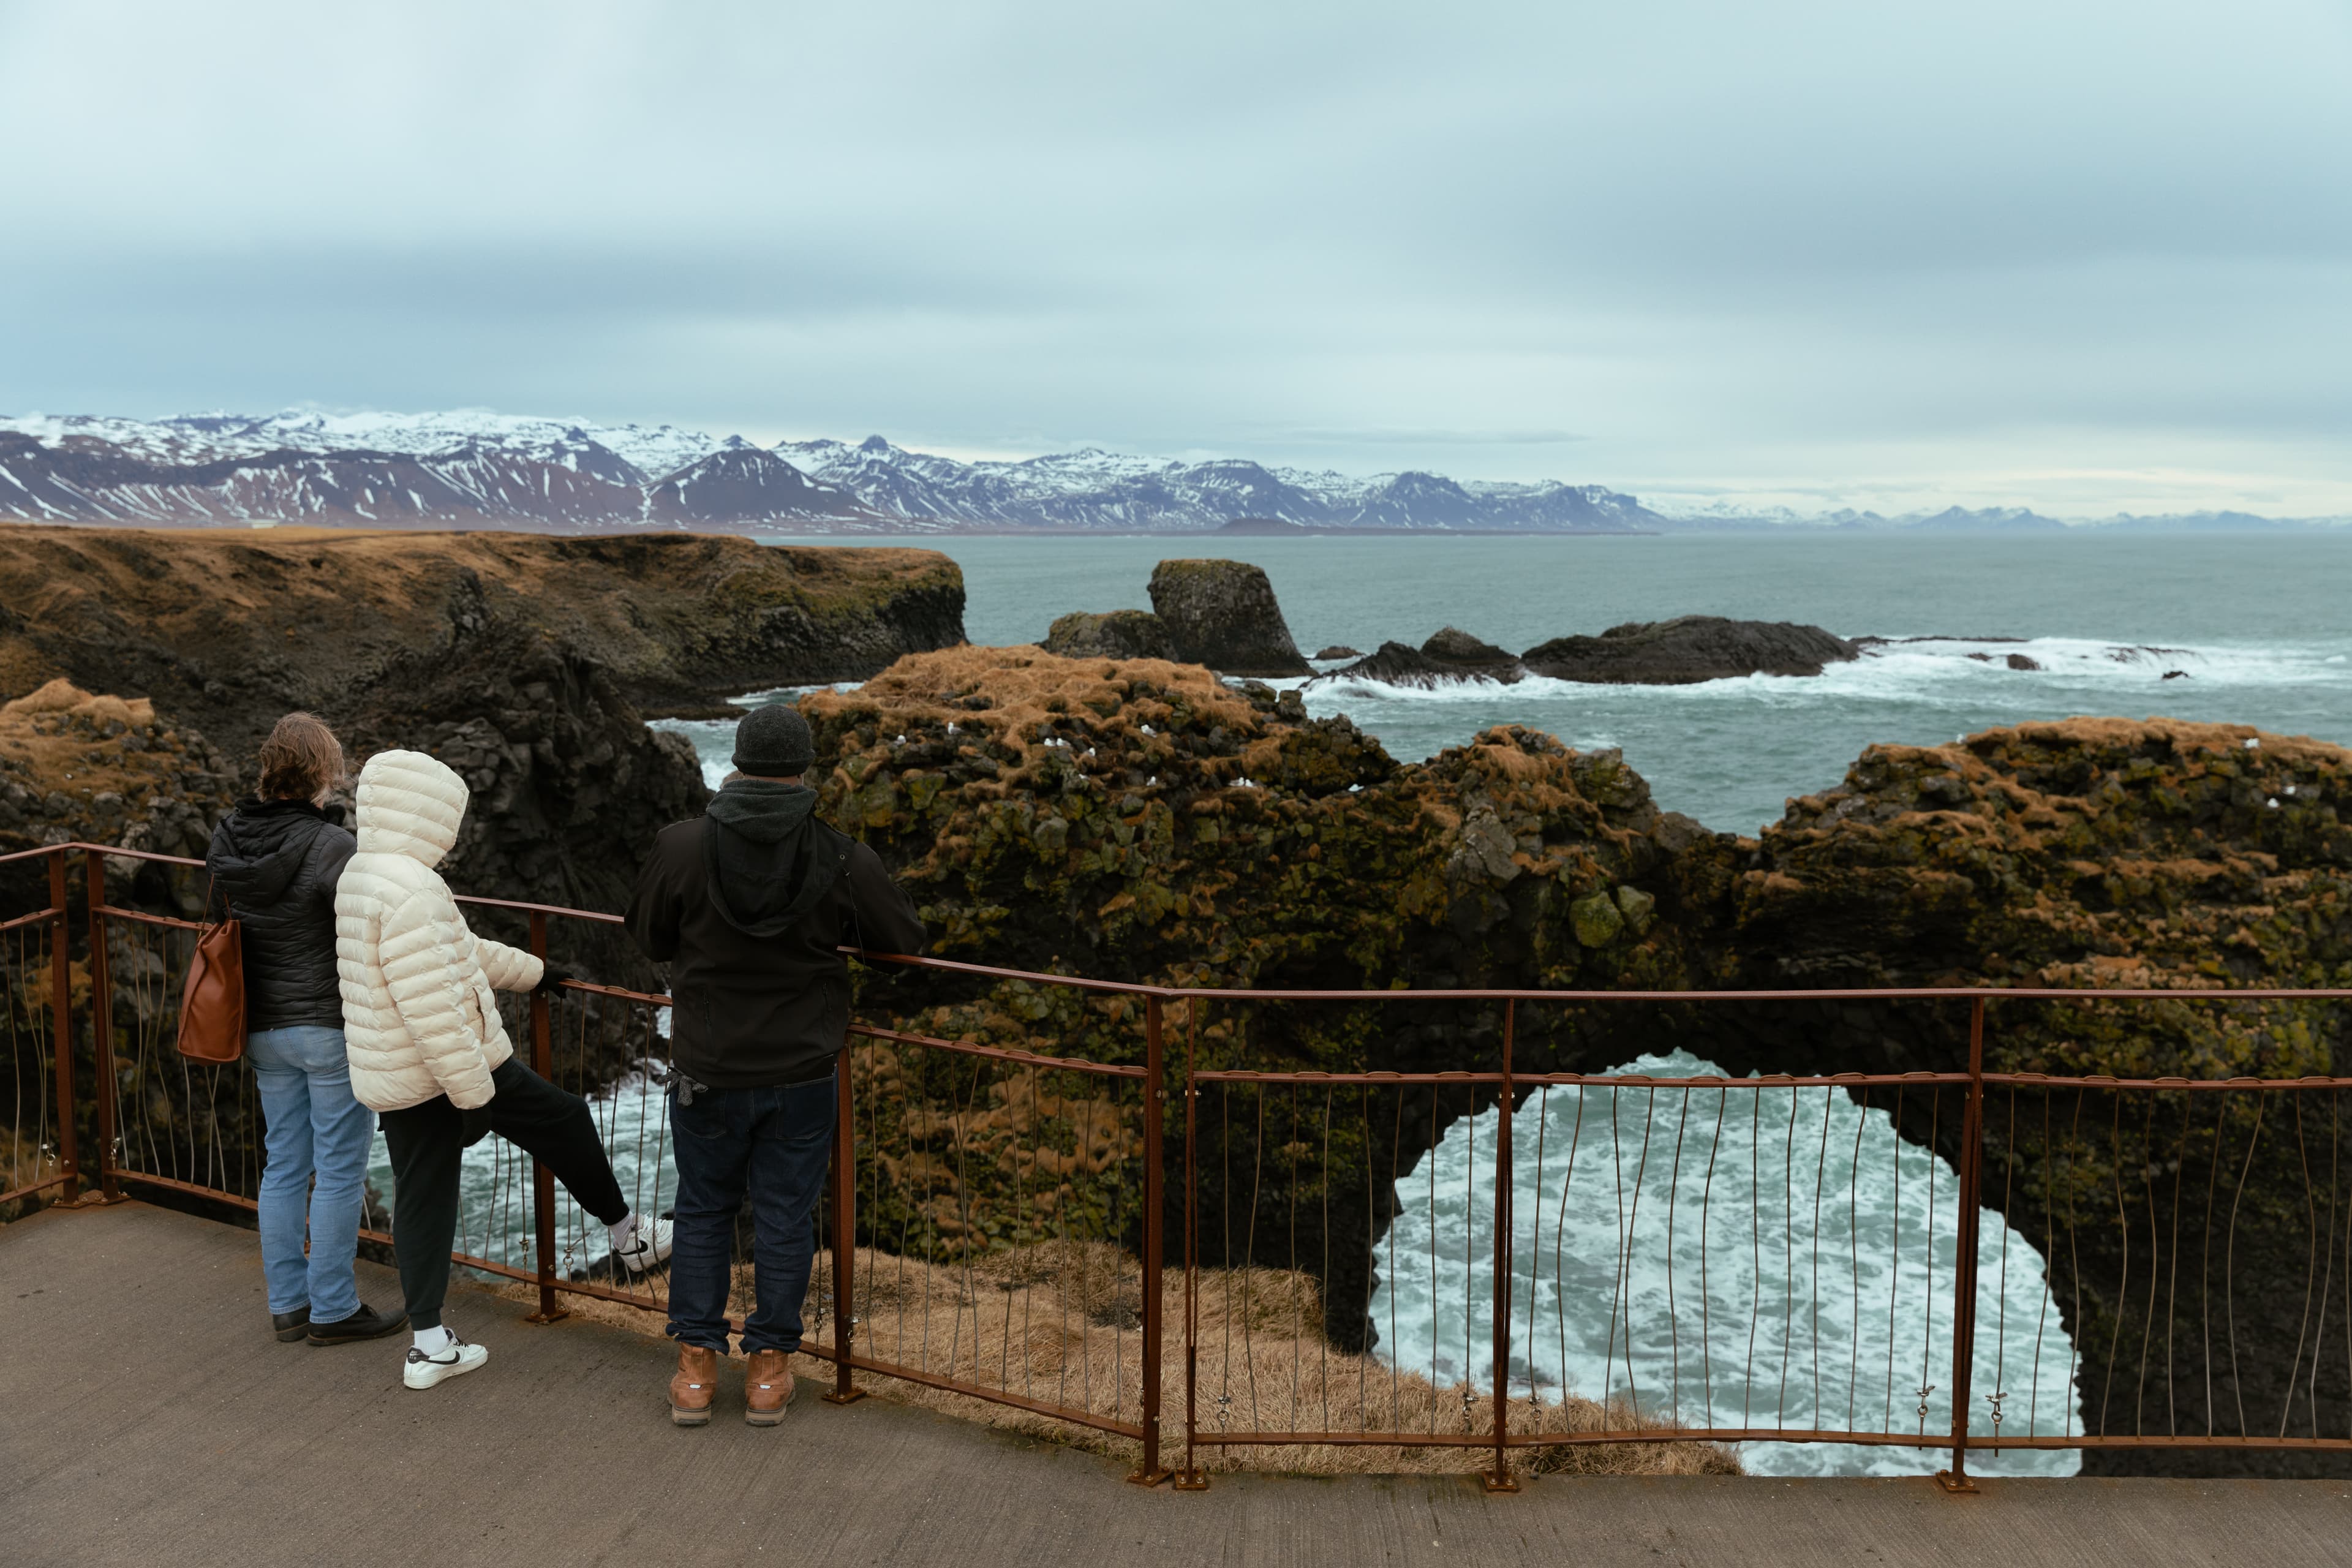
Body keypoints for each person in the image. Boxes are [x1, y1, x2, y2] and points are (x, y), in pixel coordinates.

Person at [334, 748, 673, 1391]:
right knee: (565, 1118)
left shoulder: (367, 874)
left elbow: (459, 955)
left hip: (395, 1073)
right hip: (445, 1072)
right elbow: (435, 1008)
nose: (455, 835)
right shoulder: (414, 889)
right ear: (429, 816)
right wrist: (472, 1095)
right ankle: (629, 1235)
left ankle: (431, 1342)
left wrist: (538, 972)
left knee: (425, 1199)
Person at [626, 703, 925, 1427]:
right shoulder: (842, 855)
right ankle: (769, 1370)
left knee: (701, 1212)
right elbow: (904, 943)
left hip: (707, 1063)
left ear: (737, 763)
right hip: (801, 1070)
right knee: (786, 1217)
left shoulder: (682, 845)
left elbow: (648, 934)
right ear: (803, 769)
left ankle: (696, 1370)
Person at [205, 713, 407, 1346]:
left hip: (261, 1027)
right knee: (340, 1169)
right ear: (323, 773)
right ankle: (334, 1308)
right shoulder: (332, 848)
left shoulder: (226, 840)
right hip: (325, 1026)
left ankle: (289, 1305)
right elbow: (365, 930)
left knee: (285, 1164)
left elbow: (218, 923)